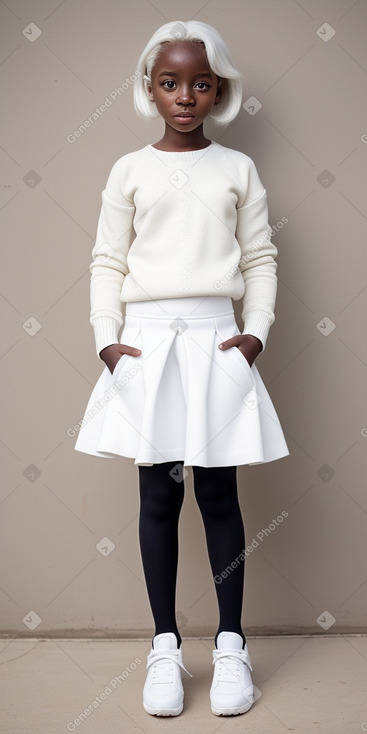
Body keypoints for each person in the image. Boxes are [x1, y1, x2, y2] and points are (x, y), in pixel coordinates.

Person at [74, 19, 290, 718]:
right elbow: (108, 259)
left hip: (215, 343)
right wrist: (108, 341)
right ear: (150, 89)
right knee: (158, 497)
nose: (185, 95)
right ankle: (163, 646)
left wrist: (253, 334)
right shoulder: (129, 170)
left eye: (200, 83)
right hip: (144, 345)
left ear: (218, 89)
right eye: (170, 83)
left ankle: (231, 645)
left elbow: (258, 257)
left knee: (220, 496)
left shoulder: (236, 169)